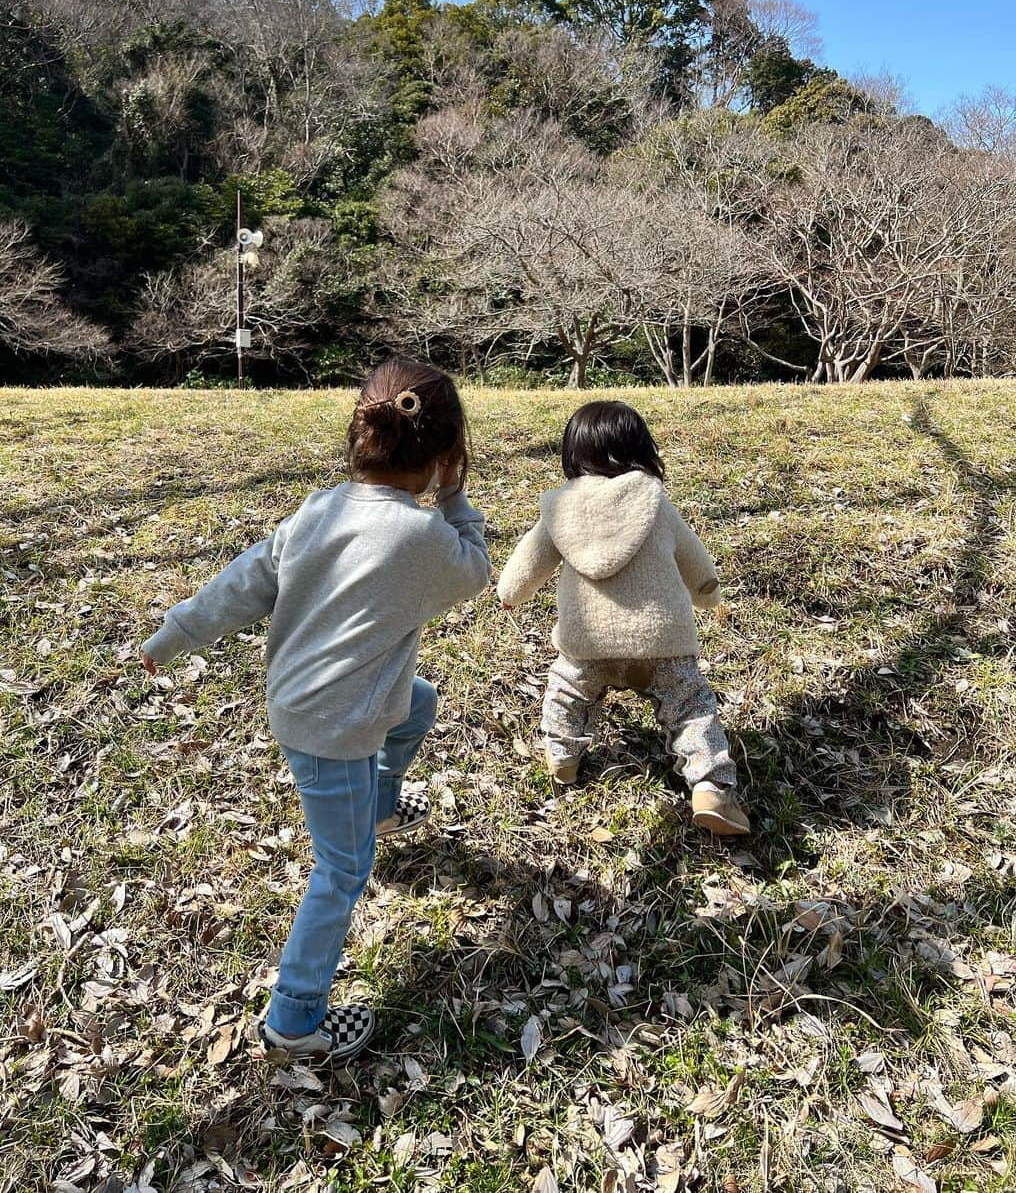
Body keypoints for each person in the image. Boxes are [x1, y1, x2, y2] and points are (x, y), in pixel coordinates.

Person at [140, 359, 491, 1061]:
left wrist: (174, 634)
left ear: (361, 433)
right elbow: (476, 567)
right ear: (445, 456)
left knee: (417, 703)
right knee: (342, 869)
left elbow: (244, 583)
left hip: (302, 701)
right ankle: (294, 1018)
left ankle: (384, 802)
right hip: (337, 730)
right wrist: (454, 499)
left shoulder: (319, 510)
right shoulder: (424, 538)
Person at [497, 400, 749, 837]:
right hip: (662, 639)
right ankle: (710, 788)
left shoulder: (559, 510)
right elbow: (695, 561)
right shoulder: (655, 503)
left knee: (566, 694)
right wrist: (709, 593)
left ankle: (564, 759)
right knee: (691, 709)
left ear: (572, 454)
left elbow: (527, 564)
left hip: (587, 641)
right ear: (640, 448)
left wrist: (510, 595)